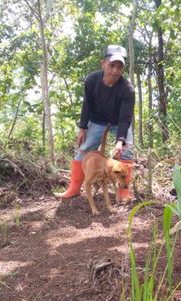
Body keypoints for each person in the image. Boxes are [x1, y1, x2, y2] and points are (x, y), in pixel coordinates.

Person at [55, 45, 135, 201]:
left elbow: (125, 118)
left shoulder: (127, 89)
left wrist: (120, 141)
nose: (115, 71)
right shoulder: (92, 80)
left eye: (119, 67)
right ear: (103, 64)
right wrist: (83, 128)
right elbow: (87, 105)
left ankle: (124, 190)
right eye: (112, 65)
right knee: (83, 150)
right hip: (97, 121)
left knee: (127, 150)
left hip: (119, 123)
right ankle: (74, 188)